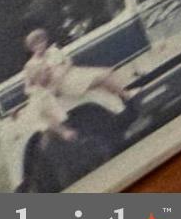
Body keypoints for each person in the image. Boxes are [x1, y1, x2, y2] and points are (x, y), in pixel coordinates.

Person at [13, 26, 129, 191]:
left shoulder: (53, 52)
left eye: (42, 41)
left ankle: (124, 97)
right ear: (31, 48)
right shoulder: (31, 65)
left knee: (103, 75)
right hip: (53, 90)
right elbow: (28, 88)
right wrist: (40, 87)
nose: (40, 45)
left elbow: (67, 62)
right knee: (47, 121)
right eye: (36, 44)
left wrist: (61, 71)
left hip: (68, 77)